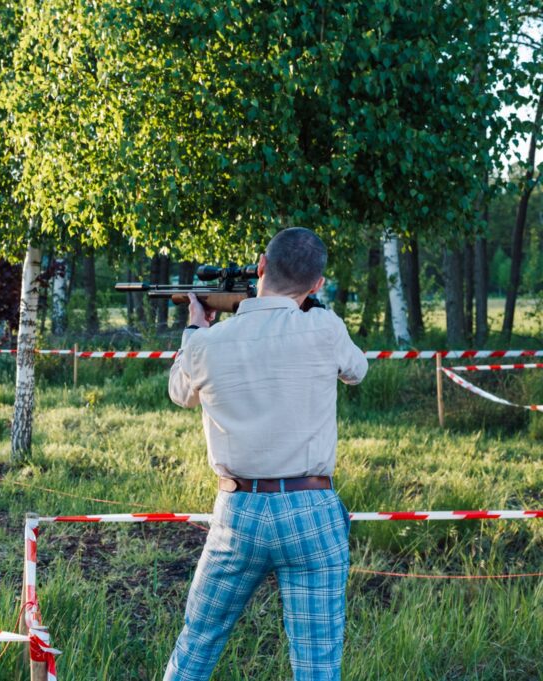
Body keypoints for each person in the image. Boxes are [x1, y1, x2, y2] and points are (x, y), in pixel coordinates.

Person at [164, 227, 368, 681]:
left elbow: (179, 392)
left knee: (196, 644)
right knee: (317, 665)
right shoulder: (324, 326)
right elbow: (357, 370)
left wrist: (196, 328)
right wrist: (314, 310)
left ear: (260, 266)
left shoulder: (207, 344)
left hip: (237, 514)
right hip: (312, 509)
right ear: (316, 285)